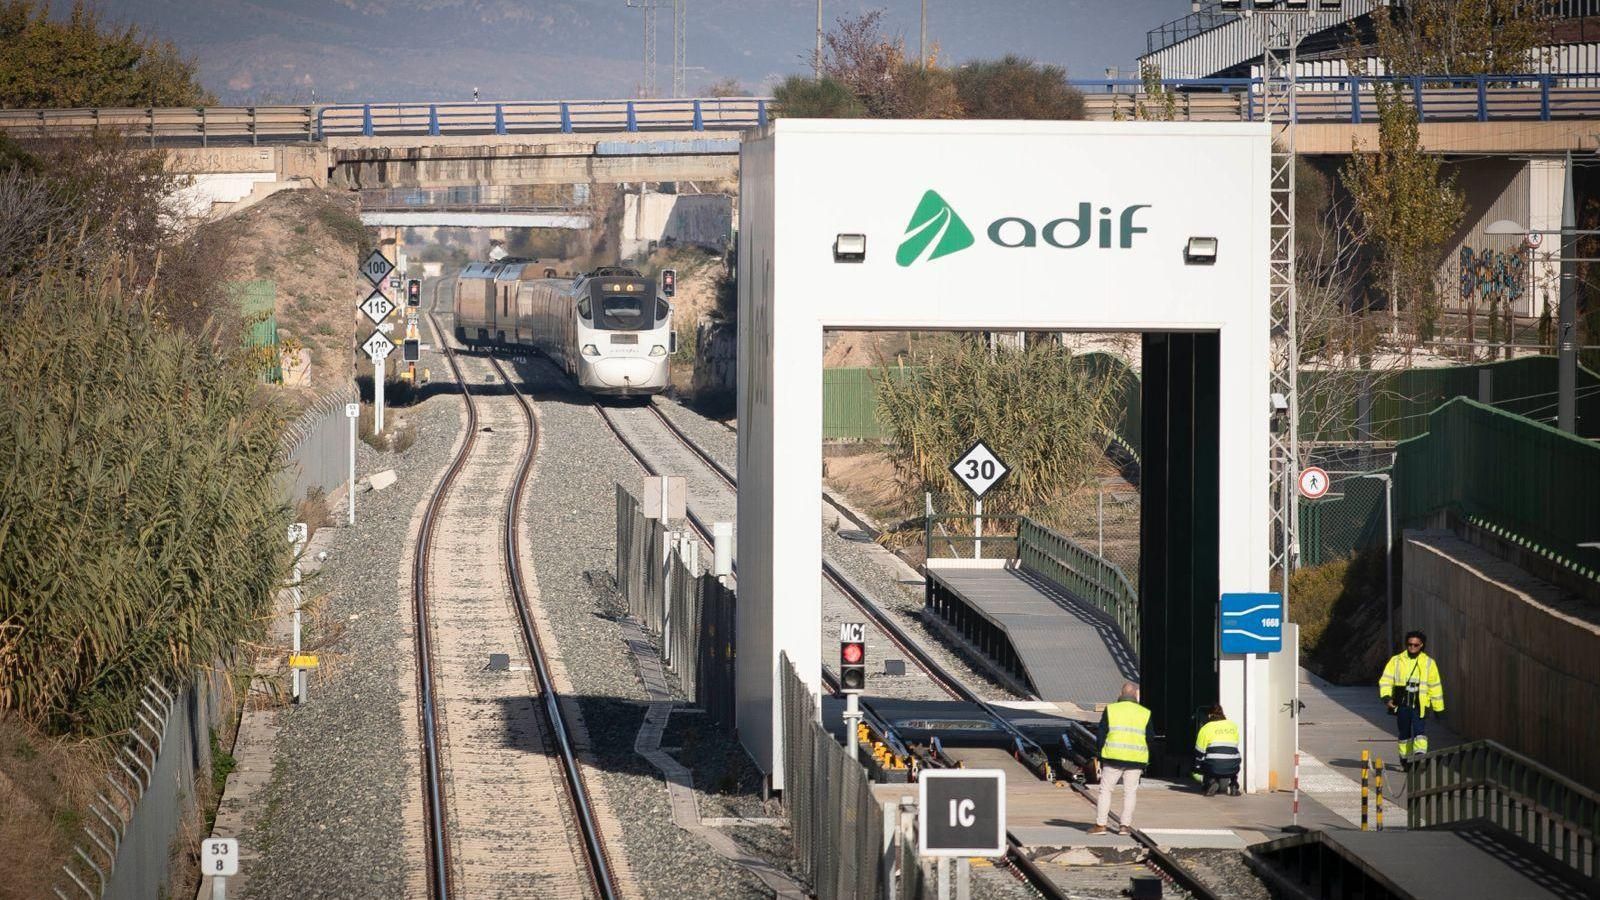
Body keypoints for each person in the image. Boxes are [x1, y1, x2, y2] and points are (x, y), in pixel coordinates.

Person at [1088, 681, 1153, 836]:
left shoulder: (1111, 710)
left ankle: (1101, 825)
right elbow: (1150, 737)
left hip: (1113, 757)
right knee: (1130, 792)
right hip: (1136, 758)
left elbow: (1101, 734)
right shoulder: (1145, 712)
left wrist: (1100, 752)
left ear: (1120, 693)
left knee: (1105, 791)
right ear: (1136, 694)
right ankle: (1124, 826)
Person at [1379, 630, 1445, 760]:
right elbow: (1386, 680)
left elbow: (1435, 686)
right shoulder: (1396, 660)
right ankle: (1405, 758)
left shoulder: (1428, 663)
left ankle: (1420, 755)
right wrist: (1386, 697)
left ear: (1421, 645)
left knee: (1420, 731)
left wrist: (1438, 708)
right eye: (1409, 644)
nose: (1412, 647)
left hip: (1419, 704)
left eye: (1415, 645)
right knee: (1404, 733)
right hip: (1402, 703)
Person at [1192, 705, 1242, 797]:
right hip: (1233, 766)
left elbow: (1199, 751)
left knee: (1200, 767)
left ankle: (1211, 782)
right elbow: (1236, 744)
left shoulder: (1206, 728)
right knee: (1231, 756)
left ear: (1210, 715)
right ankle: (1234, 785)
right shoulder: (1232, 725)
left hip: (1213, 766)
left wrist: (1197, 766)